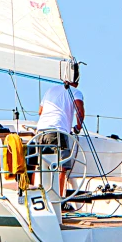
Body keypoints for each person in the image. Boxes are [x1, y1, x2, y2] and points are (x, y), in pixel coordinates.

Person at [34, 73, 85, 207]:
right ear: (77, 83)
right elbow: (80, 112)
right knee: (61, 167)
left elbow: (40, 111)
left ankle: (42, 198)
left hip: (40, 131)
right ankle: (58, 201)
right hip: (57, 131)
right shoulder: (76, 92)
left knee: (43, 165)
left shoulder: (50, 90)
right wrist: (78, 127)